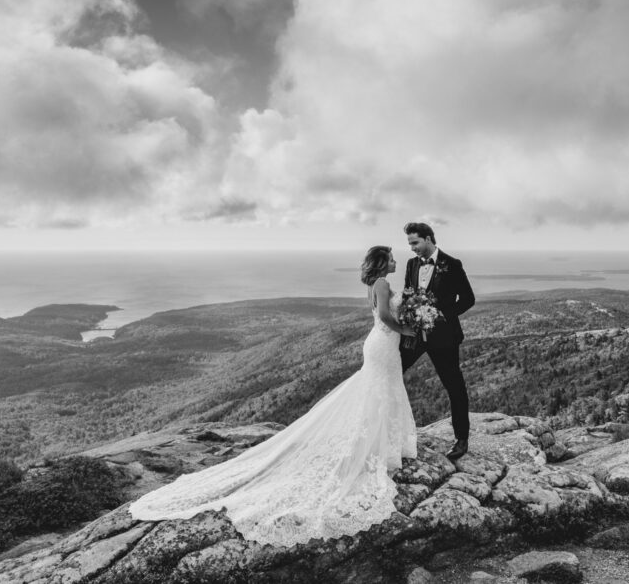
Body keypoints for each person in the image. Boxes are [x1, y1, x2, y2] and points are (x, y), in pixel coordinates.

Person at [129, 246, 418, 548]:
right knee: (380, 392)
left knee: (380, 392)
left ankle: (379, 446)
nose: (397, 261)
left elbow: (384, 314)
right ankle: (378, 449)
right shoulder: (383, 284)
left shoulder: (375, 284)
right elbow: (385, 316)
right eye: (393, 257)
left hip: (379, 346)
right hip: (383, 344)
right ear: (383, 262)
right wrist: (408, 330)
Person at [400, 222, 475, 460]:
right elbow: (407, 294)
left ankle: (461, 439)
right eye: (410, 243)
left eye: (415, 242)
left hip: (443, 337)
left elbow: (468, 299)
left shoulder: (452, 265)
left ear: (429, 239)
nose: (412, 248)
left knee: (454, 386)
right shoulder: (411, 264)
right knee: (391, 371)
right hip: (414, 336)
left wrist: (441, 315)